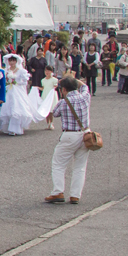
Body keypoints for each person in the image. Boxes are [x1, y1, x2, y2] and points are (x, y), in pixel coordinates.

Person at [44, 76, 92, 204]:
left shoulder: (63, 102)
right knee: (80, 167)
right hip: (85, 134)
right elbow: (84, 86)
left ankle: (58, 191)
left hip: (69, 135)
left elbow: (55, 113)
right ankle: (75, 195)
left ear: (64, 89)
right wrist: (75, 80)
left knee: (58, 164)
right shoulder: (85, 97)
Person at [1, 54, 34, 136]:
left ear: (16, 61)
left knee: (16, 108)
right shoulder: (6, 70)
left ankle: (15, 128)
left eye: (13, 61)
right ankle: (8, 127)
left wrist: (16, 82)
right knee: (7, 107)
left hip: (17, 90)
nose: (11, 62)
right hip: (9, 89)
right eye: (10, 61)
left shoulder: (21, 70)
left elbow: (25, 82)